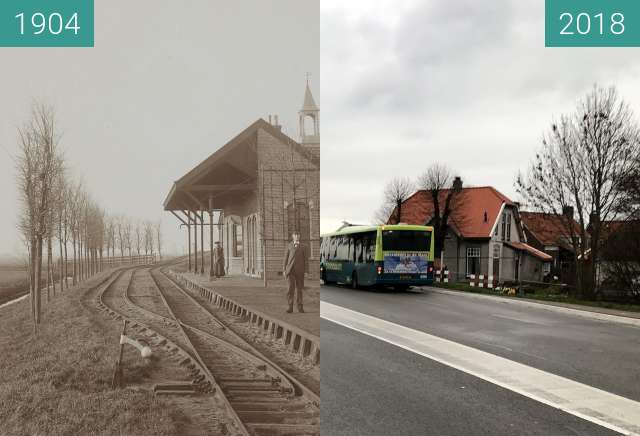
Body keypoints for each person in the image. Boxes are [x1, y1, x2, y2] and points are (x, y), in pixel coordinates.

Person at [283, 231, 308, 313]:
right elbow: (285, 259)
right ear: (292, 236)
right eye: (295, 235)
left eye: (298, 235)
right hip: (290, 271)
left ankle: (300, 307)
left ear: (299, 236)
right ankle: (290, 307)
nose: (296, 236)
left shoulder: (304, 246)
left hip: (300, 271)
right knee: (290, 288)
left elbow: (306, 260)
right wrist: (284, 270)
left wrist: (306, 271)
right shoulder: (289, 246)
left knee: (299, 289)